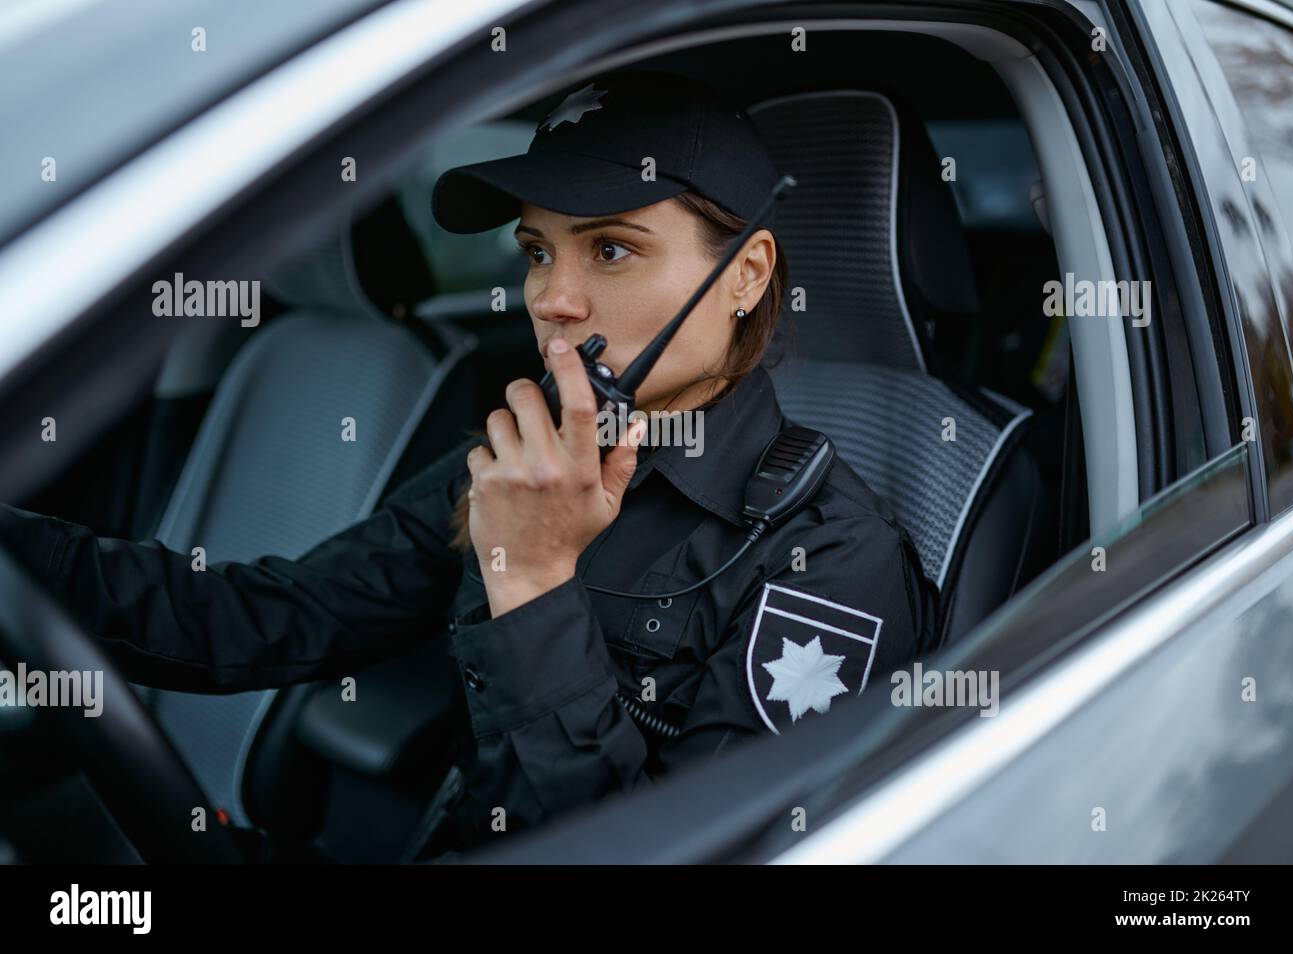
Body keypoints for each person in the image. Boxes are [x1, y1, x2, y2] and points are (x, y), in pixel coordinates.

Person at [0, 69, 938, 858]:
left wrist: (530, 583)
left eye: (611, 249)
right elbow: (267, 616)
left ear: (748, 273)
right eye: (537, 251)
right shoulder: (523, 459)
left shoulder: (829, 566)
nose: (551, 300)